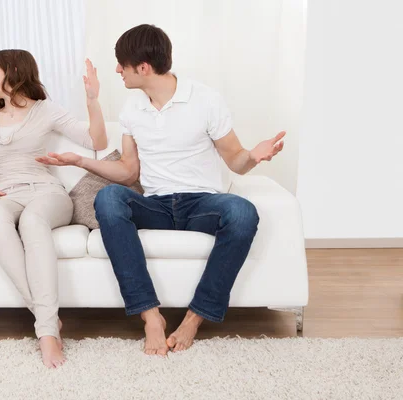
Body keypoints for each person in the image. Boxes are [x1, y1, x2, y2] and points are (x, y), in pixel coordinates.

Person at [36, 25, 285, 356]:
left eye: (121, 64)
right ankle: (151, 317)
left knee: (243, 212)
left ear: (142, 67)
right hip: (154, 205)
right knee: (108, 197)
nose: (116, 71)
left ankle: (194, 319)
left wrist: (254, 155)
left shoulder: (205, 99)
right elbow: (128, 172)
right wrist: (80, 161)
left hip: (202, 205)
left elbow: (235, 161)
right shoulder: (131, 109)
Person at [0, 49, 106, 367]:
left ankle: (47, 335)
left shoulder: (46, 110)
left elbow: (97, 141)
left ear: (14, 71)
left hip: (47, 194)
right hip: (7, 195)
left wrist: (92, 99)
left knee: (33, 222)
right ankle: (48, 319)